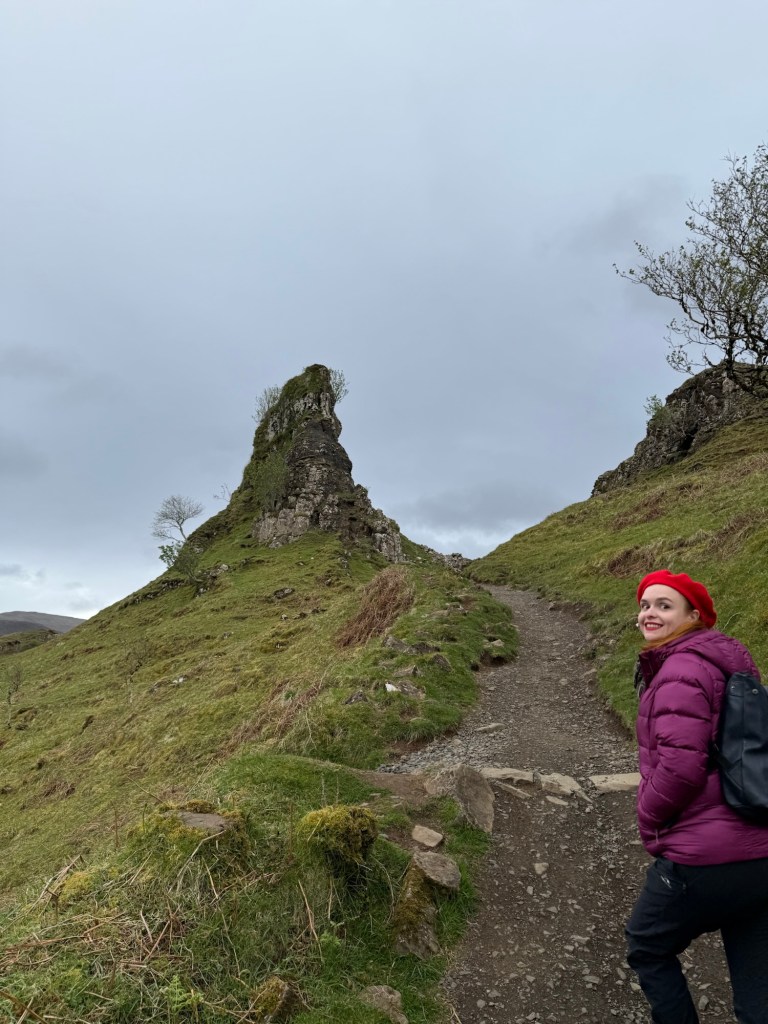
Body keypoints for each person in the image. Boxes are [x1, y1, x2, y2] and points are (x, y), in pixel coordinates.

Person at [626, 569, 768, 1024]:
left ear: (694, 615)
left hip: (704, 854)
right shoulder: (731, 664)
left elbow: (680, 768)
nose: (650, 613)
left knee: (647, 945)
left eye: (664, 605)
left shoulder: (681, 669)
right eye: (646, 605)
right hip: (760, 848)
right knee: (757, 979)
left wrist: (649, 818)